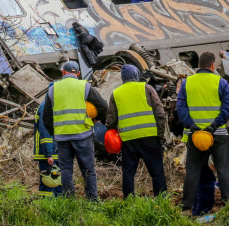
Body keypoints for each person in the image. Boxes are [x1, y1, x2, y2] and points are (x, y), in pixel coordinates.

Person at [176, 51, 229, 211]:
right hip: (218, 134)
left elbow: (180, 107)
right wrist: (213, 126)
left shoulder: (187, 82)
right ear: (213, 66)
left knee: (192, 171)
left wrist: (192, 125)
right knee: (223, 170)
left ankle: (186, 206)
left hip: (195, 135)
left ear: (199, 65)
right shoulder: (221, 82)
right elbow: (227, 108)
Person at [42, 60, 108, 200]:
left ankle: (69, 200)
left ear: (63, 72)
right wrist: (95, 121)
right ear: (78, 74)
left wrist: (54, 132)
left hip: (62, 138)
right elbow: (103, 106)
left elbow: (46, 117)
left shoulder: (53, 89)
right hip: (83, 135)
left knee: (66, 171)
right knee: (88, 170)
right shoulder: (85, 86)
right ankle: (92, 200)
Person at [106, 64, 167, 197]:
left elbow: (111, 120)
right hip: (149, 137)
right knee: (157, 171)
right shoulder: (147, 88)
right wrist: (161, 135)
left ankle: (128, 199)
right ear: (136, 75)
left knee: (128, 172)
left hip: (128, 139)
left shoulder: (116, 93)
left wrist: (112, 134)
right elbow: (160, 113)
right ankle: (161, 199)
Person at [34, 93, 63, 197]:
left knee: (57, 181)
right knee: (48, 182)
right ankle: (45, 203)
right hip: (48, 153)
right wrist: (48, 154)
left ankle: (58, 202)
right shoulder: (45, 107)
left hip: (54, 151)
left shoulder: (52, 106)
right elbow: (45, 133)